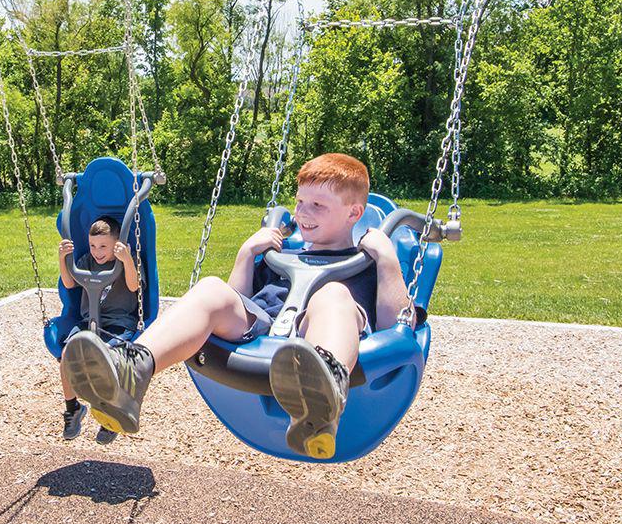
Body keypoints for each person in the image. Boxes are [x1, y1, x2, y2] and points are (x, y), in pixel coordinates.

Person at [61, 153, 409, 459]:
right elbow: (236, 300)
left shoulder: (365, 258)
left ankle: (323, 392)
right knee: (212, 287)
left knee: (331, 295)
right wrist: (247, 253)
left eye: (318, 206)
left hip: (323, 336)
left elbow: (398, 325)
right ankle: (131, 372)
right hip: (265, 322)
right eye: (301, 202)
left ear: (355, 213)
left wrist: (387, 258)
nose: (303, 213)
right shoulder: (280, 252)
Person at [56, 215, 142, 445]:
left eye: (103, 246)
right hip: (88, 322)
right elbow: (69, 283)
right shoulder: (86, 261)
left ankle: (110, 414)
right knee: (67, 356)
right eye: (93, 245)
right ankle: (72, 408)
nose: (97, 251)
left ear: (116, 244)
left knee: (107, 360)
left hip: (117, 324)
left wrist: (126, 260)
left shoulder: (125, 261)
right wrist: (62, 259)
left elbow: (134, 286)